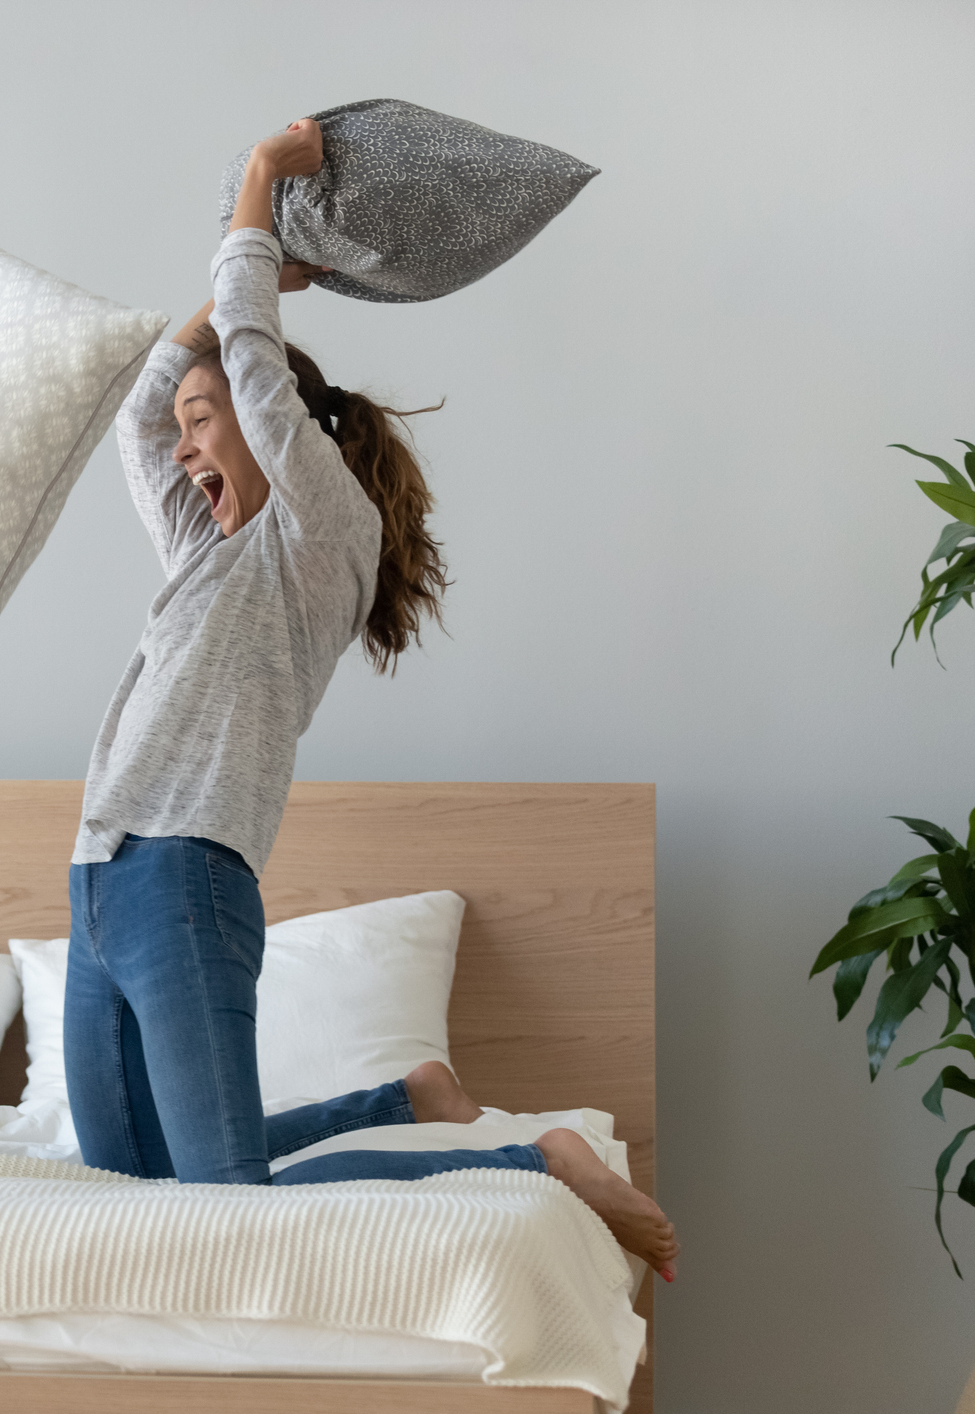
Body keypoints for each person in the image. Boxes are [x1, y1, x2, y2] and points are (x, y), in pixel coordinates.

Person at [64, 120, 679, 1281]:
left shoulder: (320, 533)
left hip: (186, 877)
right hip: (99, 881)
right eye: (193, 425)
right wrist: (232, 293)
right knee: (133, 1186)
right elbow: (144, 411)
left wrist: (255, 194)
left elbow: (249, 357)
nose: (188, 443)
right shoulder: (205, 546)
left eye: (212, 421)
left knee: (226, 1205)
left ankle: (540, 1163)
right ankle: (407, 1097)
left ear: (272, 424)